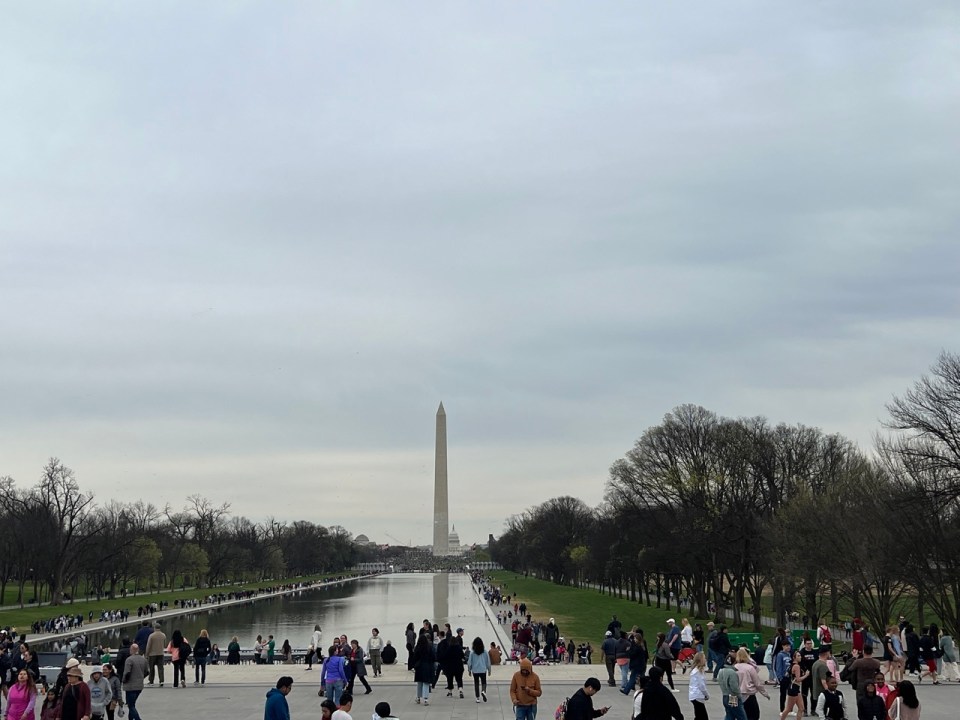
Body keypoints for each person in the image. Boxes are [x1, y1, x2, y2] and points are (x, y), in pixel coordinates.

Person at [733, 647, 768, 720]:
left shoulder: (734, 668)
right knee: (754, 715)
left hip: (736, 694)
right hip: (749, 694)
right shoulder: (750, 668)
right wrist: (765, 693)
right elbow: (757, 683)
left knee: (739, 715)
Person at [122, 643, 148, 720]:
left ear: (132, 650)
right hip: (139, 685)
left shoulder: (129, 659)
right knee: (132, 704)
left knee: (131, 706)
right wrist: (141, 677)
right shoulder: (144, 659)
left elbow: (127, 672)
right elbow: (147, 671)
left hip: (130, 686)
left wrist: (124, 680)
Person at [779, 651, 808, 720]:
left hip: (796, 688)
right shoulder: (796, 666)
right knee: (788, 709)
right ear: (794, 657)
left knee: (801, 708)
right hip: (793, 688)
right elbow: (798, 679)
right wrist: (806, 675)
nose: (800, 657)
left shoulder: (792, 665)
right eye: (798, 656)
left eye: (800, 655)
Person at [718, 652, 746, 720]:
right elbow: (734, 687)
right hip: (733, 697)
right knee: (742, 716)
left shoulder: (721, 671)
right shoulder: (732, 672)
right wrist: (739, 696)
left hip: (725, 695)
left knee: (730, 715)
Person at [622, 630, 649, 694]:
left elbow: (632, 654)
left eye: (635, 638)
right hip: (641, 665)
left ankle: (626, 690)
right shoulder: (641, 646)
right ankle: (645, 688)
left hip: (636, 665)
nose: (634, 639)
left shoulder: (638, 647)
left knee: (633, 678)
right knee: (642, 677)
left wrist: (628, 650)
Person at [413, 634, 435, 705]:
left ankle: (418, 697)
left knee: (419, 683)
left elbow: (414, 657)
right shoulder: (429, 647)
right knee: (426, 683)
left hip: (419, 667)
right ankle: (426, 699)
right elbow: (433, 657)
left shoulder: (417, 647)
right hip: (427, 666)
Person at [467, 636, 491, 703]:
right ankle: (483, 691)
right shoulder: (485, 652)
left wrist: (469, 670)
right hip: (483, 669)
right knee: (484, 682)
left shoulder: (472, 653)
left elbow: (469, 662)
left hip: (475, 670)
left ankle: (477, 698)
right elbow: (488, 661)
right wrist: (489, 669)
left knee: (476, 683)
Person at [687, 652, 709, 720]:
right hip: (698, 695)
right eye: (704, 658)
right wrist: (706, 694)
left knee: (699, 715)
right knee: (703, 716)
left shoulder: (695, 670)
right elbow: (701, 685)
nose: (705, 660)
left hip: (694, 695)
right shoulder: (698, 672)